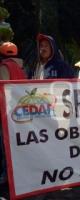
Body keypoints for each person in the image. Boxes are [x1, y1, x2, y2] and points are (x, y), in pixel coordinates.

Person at [0, 42, 27, 185]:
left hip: (6, 113)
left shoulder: (4, 68)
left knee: (5, 146)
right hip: (20, 113)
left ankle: (6, 177)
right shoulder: (22, 68)